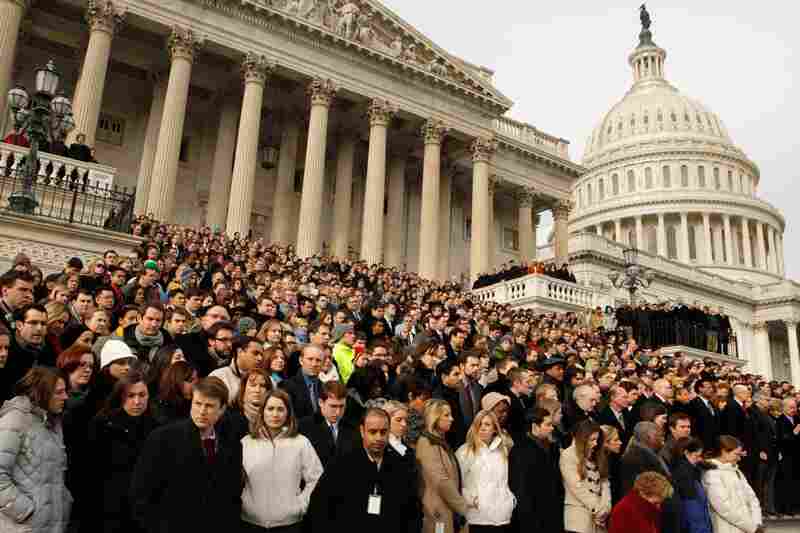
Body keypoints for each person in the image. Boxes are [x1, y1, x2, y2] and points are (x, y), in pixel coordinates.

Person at [131, 377, 244, 533]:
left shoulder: (231, 445)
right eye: (198, 404)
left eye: (209, 406)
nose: (202, 411)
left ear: (222, 409)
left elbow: (232, 495)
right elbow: (141, 493)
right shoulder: (163, 438)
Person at [307, 408, 420, 532]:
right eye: (373, 432)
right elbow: (319, 509)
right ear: (362, 431)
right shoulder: (341, 465)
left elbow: (412, 512)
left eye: (383, 432)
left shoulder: (400, 466)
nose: (379, 437)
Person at [240, 389, 323, 532]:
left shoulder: (301, 443)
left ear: (288, 413)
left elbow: (317, 478)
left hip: (289, 524)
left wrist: (301, 505)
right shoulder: (246, 443)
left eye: (280, 409)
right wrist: (243, 503)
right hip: (250, 523)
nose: (275, 414)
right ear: (262, 412)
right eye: (270, 409)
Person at [0, 367, 71, 533]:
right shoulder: (14, 420)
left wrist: (64, 501)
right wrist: (25, 510)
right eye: (59, 392)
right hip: (22, 526)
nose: (65, 397)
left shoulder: (52, 422)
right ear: (42, 393)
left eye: (65, 391)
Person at [86, 371, 156, 533]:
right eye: (130, 396)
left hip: (145, 509)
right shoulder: (102, 426)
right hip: (110, 509)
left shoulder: (157, 427)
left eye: (142, 395)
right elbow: (91, 472)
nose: (137, 401)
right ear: (121, 396)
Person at [417, 399, 475, 533]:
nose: (452, 419)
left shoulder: (439, 442)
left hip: (447, 510)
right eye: (446, 415)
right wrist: (462, 506)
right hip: (438, 512)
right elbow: (441, 481)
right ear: (434, 417)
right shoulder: (427, 443)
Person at [455, 410, 515, 532]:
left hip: (503, 515)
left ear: (494, 428)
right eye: (479, 424)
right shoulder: (465, 451)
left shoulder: (503, 450)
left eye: (487, 424)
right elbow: (456, 481)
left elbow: (507, 480)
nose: (482, 428)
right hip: (477, 517)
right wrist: (472, 500)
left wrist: (510, 500)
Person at [509, 407, 563, 533]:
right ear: (535, 426)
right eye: (548, 425)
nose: (552, 428)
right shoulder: (520, 450)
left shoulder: (552, 448)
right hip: (531, 517)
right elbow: (519, 487)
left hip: (552, 513)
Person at [703, 435, 764, 533]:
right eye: (736, 454)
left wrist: (757, 522)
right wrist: (751, 527)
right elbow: (724, 508)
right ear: (723, 451)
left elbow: (752, 499)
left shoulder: (736, 471)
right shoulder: (711, 474)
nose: (739, 458)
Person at [560, 420, 611, 533]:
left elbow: (605, 482)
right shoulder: (568, 455)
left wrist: (605, 507)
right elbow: (577, 487)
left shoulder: (597, 455)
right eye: (592, 439)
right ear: (582, 438)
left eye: (597, 439)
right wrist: (598, 509)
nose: (595, 443)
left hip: (600, 519)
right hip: (579, 519)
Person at [298, 380, 359, 468]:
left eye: (342, 406)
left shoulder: (353, 427)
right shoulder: (304, 427)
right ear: (320, 402)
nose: (338, 412)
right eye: (333, 406)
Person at [671, 437, 714, 533]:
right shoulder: (685, 475)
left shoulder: (685, 470)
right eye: (696, 456)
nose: (699, 459)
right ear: (686, 453)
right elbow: (693, 511)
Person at [608, 471, 674, 533]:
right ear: (643, 493)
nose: (658, 507)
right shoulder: (624, 510)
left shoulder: (647, 509)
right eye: (655, 503)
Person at [219, 368, 272, 442]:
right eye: (253, 385)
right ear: (244, 388)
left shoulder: (272, 417)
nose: (257, 390)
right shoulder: (228, 418)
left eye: (262, 386)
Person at [209, 335, 264, 403]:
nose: (260, 358)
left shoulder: (265, 379)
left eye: (261, 355)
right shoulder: (218, 376)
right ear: (239, 351)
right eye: (255, 353)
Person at [280, 344, 323, 419]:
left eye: (318, 360)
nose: (314, 364)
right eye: (310, 359)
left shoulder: (324, 387)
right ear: (301, 360)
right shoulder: (286, 386)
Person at [601, 425, 624, 505]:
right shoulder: (601, 464)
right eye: (616, 440)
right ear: (605, 443)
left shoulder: (615, 459)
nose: (620, 443)